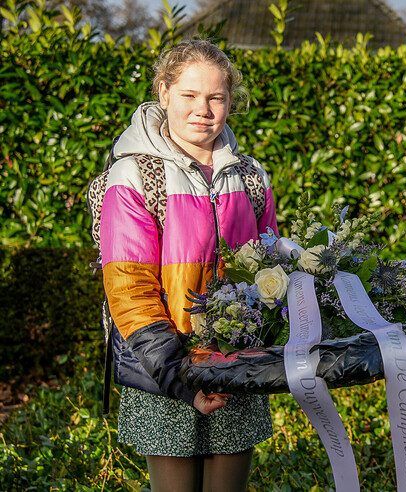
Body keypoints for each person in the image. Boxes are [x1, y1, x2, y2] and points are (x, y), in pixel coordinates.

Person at [99, 39, 278, 491]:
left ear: (230, 102)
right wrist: (181, 377)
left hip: (236, 365)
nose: (204, 109)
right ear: (164, 93)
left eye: (216, 97)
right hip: (162, 364)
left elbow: (271, 268)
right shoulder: (136, 175)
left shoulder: (250, 176)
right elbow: (130, 289)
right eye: (189, 95)